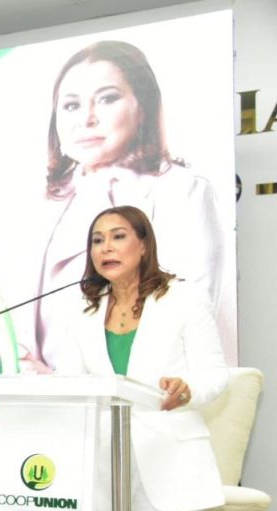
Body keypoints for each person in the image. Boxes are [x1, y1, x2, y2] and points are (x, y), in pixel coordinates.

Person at [56, 205, 227, 511]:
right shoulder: (85, 312)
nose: (105, 248)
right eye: (96, 240)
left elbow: (216, 373)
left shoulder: (183, 300)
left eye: (117, 236)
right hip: (101, 468)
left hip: (168, 464)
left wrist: (190, 389)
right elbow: (69, 384)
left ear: (144, 244)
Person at [30, 40, 224, 371]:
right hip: (55, 406)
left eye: (106, 99)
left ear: (143, 106)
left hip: (150, 401)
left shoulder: (183, 191)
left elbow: (189, 313)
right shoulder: (47, 204)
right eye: (72, 105)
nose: (87, 119)